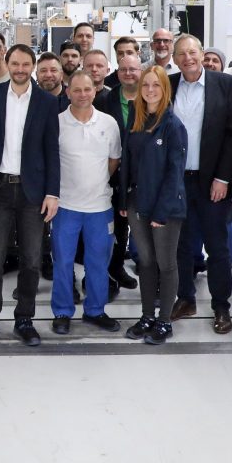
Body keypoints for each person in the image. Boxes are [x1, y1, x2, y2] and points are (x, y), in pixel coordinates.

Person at [0, 44, 58, 348]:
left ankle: (24, 320)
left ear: (32, 66)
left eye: (25, 64)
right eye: (15, 64)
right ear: (7, 64)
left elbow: (51, 150)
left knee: (31, 261)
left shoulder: (46, 101)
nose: (20, 69)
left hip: (32, 192)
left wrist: (52, 193)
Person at [169, 35, 232, 334]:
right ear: (174, 58)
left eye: (192, 52)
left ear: (202, 54)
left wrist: (223, 178)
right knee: (182, 245)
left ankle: (221, 305)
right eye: (181, 53)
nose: (187, 58)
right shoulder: (168, 85)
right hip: (178, 181)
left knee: (218, 247)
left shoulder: (225, 84)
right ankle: (186, 298)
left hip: (213, 181)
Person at [120, 66, 187, 345]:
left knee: (165, 263)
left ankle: (164, 321)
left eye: (156, 85)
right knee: (146, 262)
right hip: (137, 202)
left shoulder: (173, 126)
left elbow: (175, 173)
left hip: (165, 208)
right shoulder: (135, 120)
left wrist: (161, 212)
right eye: (146, 84)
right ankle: (147, 316)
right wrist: (124, 200)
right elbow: (127, 162)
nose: (150, 90)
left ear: (165, 89)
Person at [52, 71, 121, 334]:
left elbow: (114, 160)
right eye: (77, 90)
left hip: (100, 208)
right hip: (65, 206)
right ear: (67, 92)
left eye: (87, 89)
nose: (82, 95)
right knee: (63, 262)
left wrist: (96, 182)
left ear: (95, 91)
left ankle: (95, 310)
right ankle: (62, 311)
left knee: (98, 262)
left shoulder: (108, 123)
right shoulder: (57, 123)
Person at [100, 53, 142, 289]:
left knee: (141, 226)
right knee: (116, 225)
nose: (128, 74)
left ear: (141, 71)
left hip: (142, 173)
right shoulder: (108, 99)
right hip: (114, 172)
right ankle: (113, 269)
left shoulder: (151, 97)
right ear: (117, 73)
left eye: (133, 69)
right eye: (123, 69)